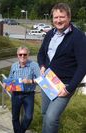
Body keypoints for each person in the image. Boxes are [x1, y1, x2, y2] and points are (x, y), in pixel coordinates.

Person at [37, 3, 86, 133]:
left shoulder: (78, 37)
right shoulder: (50, 34)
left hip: (64, 85)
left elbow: (83, 65)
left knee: (51, 118)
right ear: (52, 19)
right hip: (48, 81)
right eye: (55, 17)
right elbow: (41, 53)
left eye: (62, 17)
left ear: (69, 17)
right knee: (45, 114)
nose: (58, 20)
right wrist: (42, 66)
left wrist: (70, 88)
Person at [7, 46, 40, 133]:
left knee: (29, 117)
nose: (22, 56)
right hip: (16, 94)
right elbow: (10, 78)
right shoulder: (14, 66)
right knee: (15, 117)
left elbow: (41, 80)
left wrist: (30, 81)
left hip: (28, 94)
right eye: (20, 54)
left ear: (28, 55)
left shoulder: (34, 65)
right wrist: (6, 84)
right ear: (17, 55)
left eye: (24, 54)